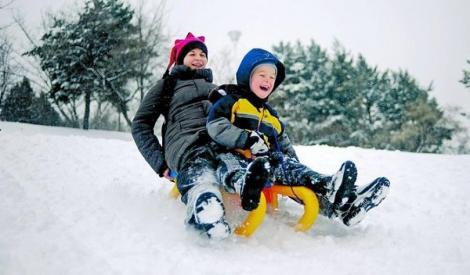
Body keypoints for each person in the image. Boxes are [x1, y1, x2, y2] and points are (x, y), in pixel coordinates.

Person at [206, 48, 390, 226]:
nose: (268, 80)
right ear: (248, 77)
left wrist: (293, 165)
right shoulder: (232, 101)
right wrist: (246, 139)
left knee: (294, 171)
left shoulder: (271, 114)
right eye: (262, 75)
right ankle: (246, 186)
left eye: (272, 77)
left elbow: (282, 142)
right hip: (234, 155)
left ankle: (339, 197)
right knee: (230, 165)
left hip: (267, 163)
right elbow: (216, 126)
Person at [131, 32, 232, 239]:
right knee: (200, 161)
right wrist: (160, 163)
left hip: (218, 138)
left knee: (233, 156)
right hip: (186, 142)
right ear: (180, 59)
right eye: (192, 53)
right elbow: (141, 124)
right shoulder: (167, 86)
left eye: (202, 54)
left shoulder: (216, 89)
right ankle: (205, 204)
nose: (198, 58)